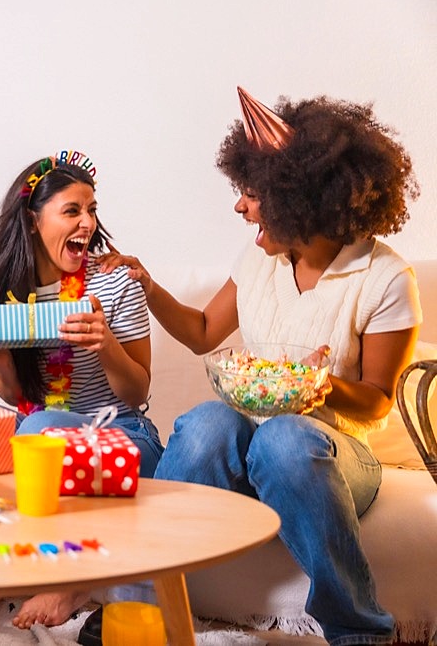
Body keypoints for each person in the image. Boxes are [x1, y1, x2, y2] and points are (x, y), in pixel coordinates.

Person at [99, 88, 420, 646]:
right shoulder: (259, 260)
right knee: (205, 422)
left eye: (251, 194)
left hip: (330, 455)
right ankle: (136, 611)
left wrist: (321, 389)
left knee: (287, 438)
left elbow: (376, 400)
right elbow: (202, 333)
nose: (240, 207)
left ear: (300, 201)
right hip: (245, 443)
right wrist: (146, 285)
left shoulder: (386, 278)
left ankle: (359, 632)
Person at [0, 153, 164, 631]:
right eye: (72, 211)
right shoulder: (0, 288)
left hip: (125, 438)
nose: (87, 223)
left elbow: (137, 392)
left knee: (40, 430)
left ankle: (71, 581)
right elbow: (12, 394)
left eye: (91, 210)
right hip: (40, 428)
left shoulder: (113, 283)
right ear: (34, 221)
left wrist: (105, 343)